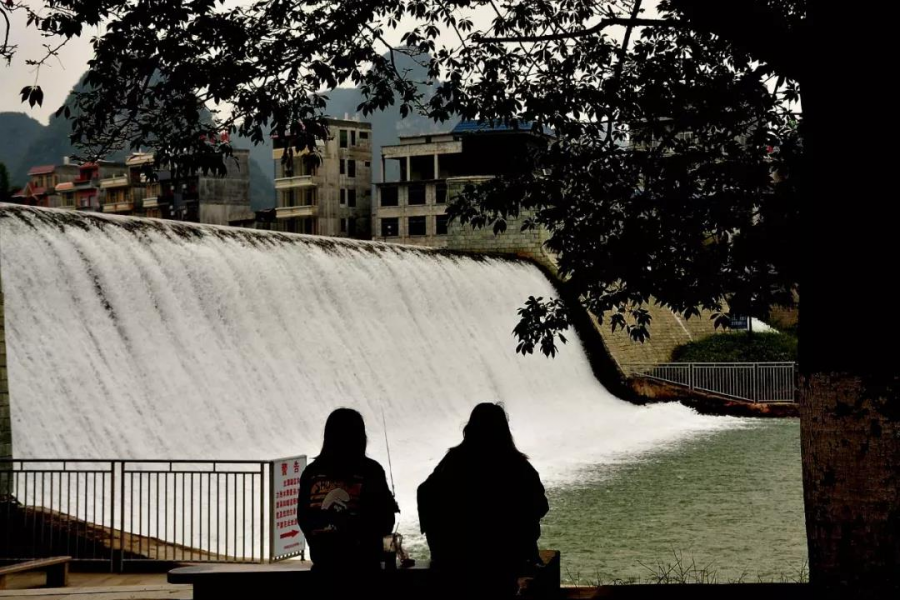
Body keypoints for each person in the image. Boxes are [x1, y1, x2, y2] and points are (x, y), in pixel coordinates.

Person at [418, 402, 550, 598]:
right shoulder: (515, 464)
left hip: (459, 558)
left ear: (469, 429)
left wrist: (438, 544)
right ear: (504, 431)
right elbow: (540, 505)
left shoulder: (454, 460)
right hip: (505, 559)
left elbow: (425, 492)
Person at [297, 408, 398, 577]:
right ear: (360, 437)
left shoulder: (311, 472)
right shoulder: (371, 471)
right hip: (364, 569)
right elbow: (384, 522)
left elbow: (304, 518)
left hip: (324, 569)